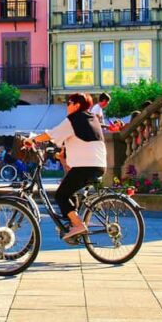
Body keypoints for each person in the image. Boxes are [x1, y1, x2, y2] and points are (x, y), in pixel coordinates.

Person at [27, 92, 106, 239]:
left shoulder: (73, 119)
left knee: (61, 195)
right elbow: (78, 139)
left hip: (85, 166)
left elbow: (51, 134)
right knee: (70, 190)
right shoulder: (92, 118)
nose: (67, 106)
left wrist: (32, 140)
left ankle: (78, 225)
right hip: (99, 165)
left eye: (69, 103)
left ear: (77, 105)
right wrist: (61, 152)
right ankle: (72, 220)